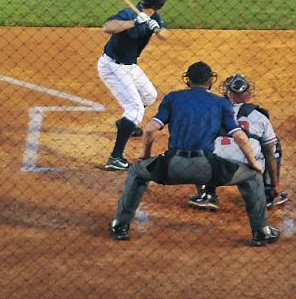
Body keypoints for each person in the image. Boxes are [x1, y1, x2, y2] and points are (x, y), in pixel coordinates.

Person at [107, 61, 280, 247]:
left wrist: (145, 155)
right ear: (210, 81)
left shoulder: (173, 98)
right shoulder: (220, 103)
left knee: (136, 172)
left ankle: (121, 225)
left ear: (188, 80)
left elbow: (150, 131)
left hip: (172, 166)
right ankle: (262, 232)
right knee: (252, 177)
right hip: (208, 169)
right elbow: (240, 137)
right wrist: (253, 162)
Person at [187, 72, 289, 212]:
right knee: (273, 146)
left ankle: (207, 193)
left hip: (217, 170)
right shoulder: (260, 117)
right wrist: (274, 185)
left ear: (227, 93)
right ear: (247, 93)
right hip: (249, 169)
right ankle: (266, 193)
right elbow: (269, 154)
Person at [97, 0, 168, 171]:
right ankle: (115, 158)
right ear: (161, 1)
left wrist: (155, 27)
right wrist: (134, 22)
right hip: (113, 66)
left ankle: (125, 124)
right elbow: (108, 27)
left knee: (149, 96)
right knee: (135, 109)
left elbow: (165, 35)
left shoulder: (155, 16)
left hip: (129, 65)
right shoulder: (129, 13)